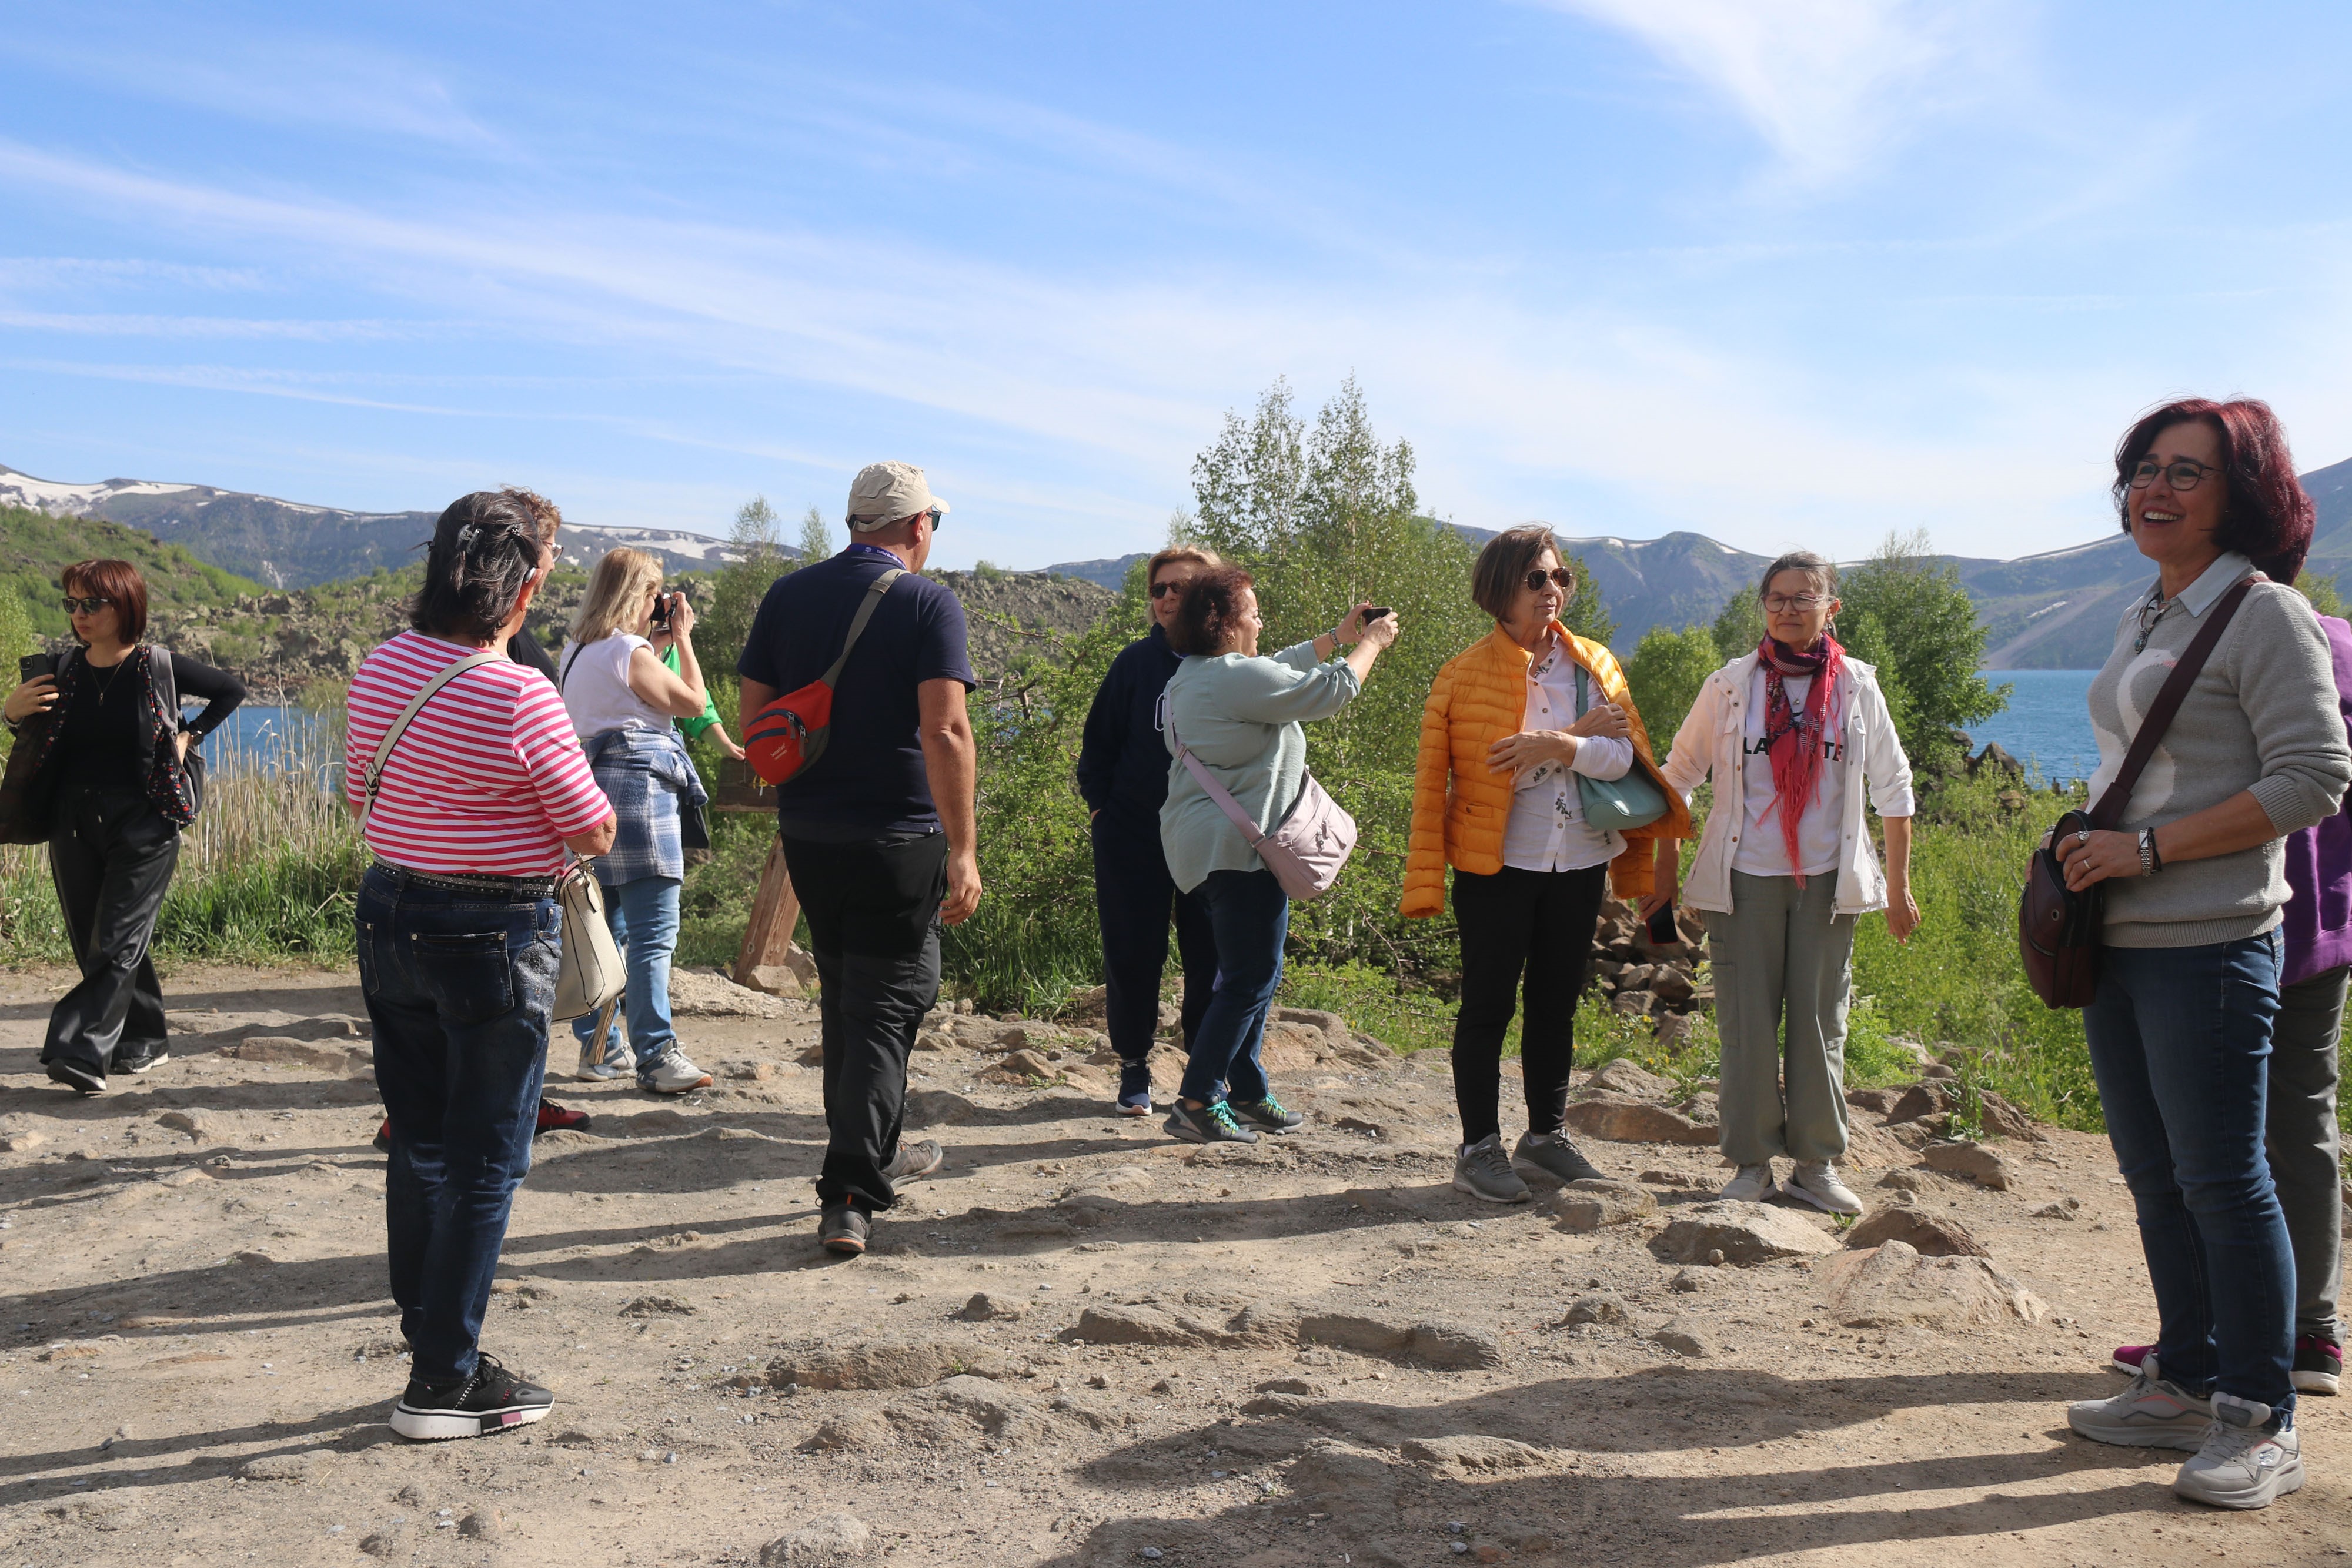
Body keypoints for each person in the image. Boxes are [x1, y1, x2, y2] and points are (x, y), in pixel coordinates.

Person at [2057, 398, 2351, 1510]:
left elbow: (2316, 778)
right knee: (2155, 1174)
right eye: (2145, 467)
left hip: (2213, 937)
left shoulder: (2264, 614)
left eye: (2188, 472)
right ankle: (2182, 1378)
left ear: (2244, 495)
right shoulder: (2152, 610)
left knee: (2229, 1180)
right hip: (2120, 940)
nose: (2156, 486)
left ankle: (2260, 1416)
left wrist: (2147, 847)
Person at [346, 490, 617, 1440]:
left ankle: (431, 1336)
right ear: (529, 584)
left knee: (419, 1141)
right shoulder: (517, 691)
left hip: (390, 912)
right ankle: (444, 1381)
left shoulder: (382, 664)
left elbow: (357, 793)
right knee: (486, 1163)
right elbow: (592, 824)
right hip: (493, 930)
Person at [1401, 527, 1690, 1202]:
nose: (1552, 591)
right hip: (1495, 863)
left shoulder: (1594, 664)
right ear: (1499, 588)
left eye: (1560, 578)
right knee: (1487, 1007)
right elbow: (1476, 770)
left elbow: (1626, 762)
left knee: (1555, 1004)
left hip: (1579, 860)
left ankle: (1545, 1136)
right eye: (1537, 579)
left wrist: (1557, 743)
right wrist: (1564, 745)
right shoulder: (1462, 673)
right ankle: (1478, 1149)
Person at [737, 462, 980, 1256]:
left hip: (809, 833)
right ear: (918, 528)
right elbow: (945, 731)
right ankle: (851, 1190)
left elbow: (756, 724)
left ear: (853, 522)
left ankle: (870, 1151)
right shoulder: (927, 601)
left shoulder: (787, 595)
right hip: (899, 837)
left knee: (850, 994)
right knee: (885, 1002)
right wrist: (965, 847)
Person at [2113, 606, 2352, 1400]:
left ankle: (2243, 1334)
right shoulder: (2329, 639)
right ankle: (2290, 1330)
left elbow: (2307, 774)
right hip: (2317, 913)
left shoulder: (2240, 631)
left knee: (2216, 1147)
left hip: (2243, 914)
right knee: (2292, 1120)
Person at [1650, 551, 1917, 1217]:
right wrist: (1659, 879)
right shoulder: (1730, 686)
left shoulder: (1858, 686)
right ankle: (1749, 1164)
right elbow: (1677, 776)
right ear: (1763, 606)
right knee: (1746, 1026)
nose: (1788, 608)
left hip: (1830, 882)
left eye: (1804, 597)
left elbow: (1894, 787)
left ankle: (1816, 1165)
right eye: (1776, 597)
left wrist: (1901, 886)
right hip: (1744, 880)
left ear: (1832, 608)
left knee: (1822, 1024)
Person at [1158, 566, 1397, 1144]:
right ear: (1225, 622)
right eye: (1254, 611)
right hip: (1237, 850)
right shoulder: (1227, 679)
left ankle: (1245, 1091)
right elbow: (1331, 690)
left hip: (1211, 847)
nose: (1261, 621)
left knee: (1252, 974)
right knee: (1249, 977)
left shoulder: (1200, 676)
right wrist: (1370, 644)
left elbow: (1280, 668)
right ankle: (1197, 1099)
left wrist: (1334, 639)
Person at [2, 559, 244, 1094]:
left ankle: (80, 1050)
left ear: (125, 604)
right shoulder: (61, 668)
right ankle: (146, 1039)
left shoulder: (157, 665)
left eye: (92, 603)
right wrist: (11, 713)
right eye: (71, 604)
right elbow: (32, 736)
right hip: (71, 821)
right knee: (99, 940)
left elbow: (231, 689)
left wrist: (190, 736)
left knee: (115, 940)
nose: (79, 615)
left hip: (146, 820)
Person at [557, 547, 716, 1095]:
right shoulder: (629, 650)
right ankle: (658, 1054)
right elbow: (693, 702)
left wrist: (661, 643)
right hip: (641, 796)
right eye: (653, 594)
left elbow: (621, 696)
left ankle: (599, 1048)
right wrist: (686, 638)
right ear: (635, 595)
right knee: (654, 936)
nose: (659, 604)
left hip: (589, 799)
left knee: (606, 933)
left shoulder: (574, 651)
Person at [1076, 546, 1224, 1115]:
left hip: (1211, 837)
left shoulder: (1230, 665)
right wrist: (1102, 814)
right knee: (1133, 954)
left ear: (1210, 595)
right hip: (1133, 837)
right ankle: (1134, 1067)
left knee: (1211, 961)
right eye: (1158, 589)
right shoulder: (1134, 664)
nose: (1165, 599)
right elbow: (1097, 750)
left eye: (1180, 588)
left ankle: (1203, 1077)